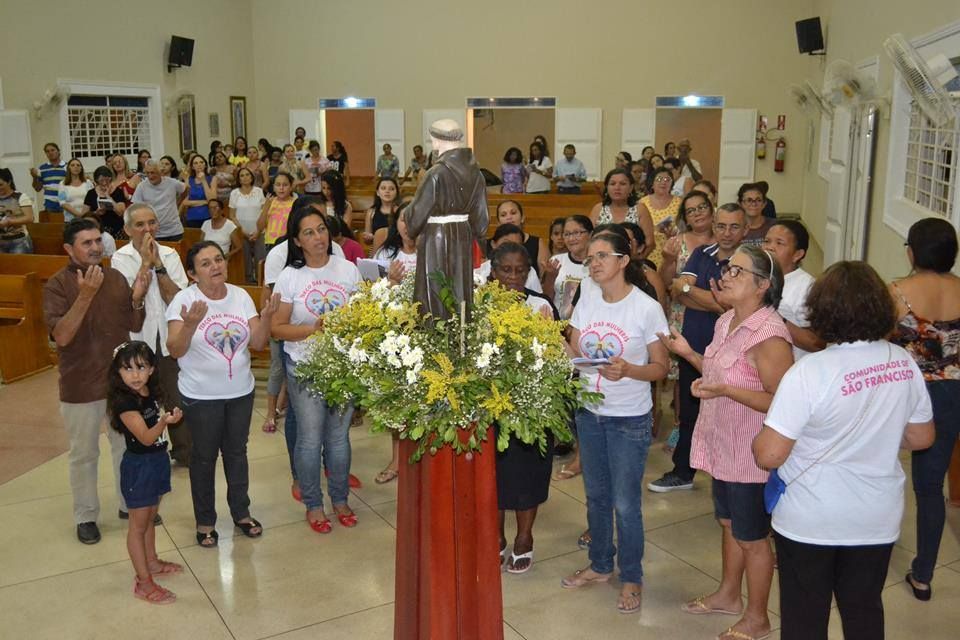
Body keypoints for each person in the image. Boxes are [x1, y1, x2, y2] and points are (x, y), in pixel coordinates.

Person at [754, 261, 935, 640]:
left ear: (823, 310)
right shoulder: (903, 363)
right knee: (864, 610)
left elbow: (768, 455)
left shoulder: (810, 372)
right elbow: (921, 438)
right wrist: (875, 435)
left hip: (811, 518)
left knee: (805, 617)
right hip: (875, 516)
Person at [661, 245, 793, 640]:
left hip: (752, 451)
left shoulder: (770, 335)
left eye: (738, 270)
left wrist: (727, 391)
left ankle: (758, 618)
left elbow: (784, 403)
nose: (726, 275)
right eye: (727, 267)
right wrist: (687, 353)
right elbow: (720, 374)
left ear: (763, 285)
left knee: (753, 537)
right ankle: (728, 595)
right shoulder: (728, 321)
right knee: (729, 523)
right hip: (722, 444)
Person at [560, 230, 669, 615]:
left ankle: (632, 576)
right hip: (589, 413)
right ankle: (601, 565)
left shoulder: (645, 307)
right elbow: (576, 349)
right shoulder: (587, 300)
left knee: (625, 503)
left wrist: (630, 370)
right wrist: (560, 345)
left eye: (603, 256)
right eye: (591, 257)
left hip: (628, 418)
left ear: (623, 261)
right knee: (597, 496)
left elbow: (662, 367)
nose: (594, 263)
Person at [42, 218, 150, 543]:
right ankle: (86, 515)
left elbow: (132, 322)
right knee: (84, 454)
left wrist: (137, 299)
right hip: (80, 385)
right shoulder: (57, 286)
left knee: (125, 446)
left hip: (118, 382)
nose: (94, 248)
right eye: (86, 243)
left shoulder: (114, 277)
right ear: (68, 249)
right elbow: (61, 336)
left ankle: (127, 503)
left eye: (97, 241)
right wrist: (85, 295)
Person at [166, 241, 277, 548]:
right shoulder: (183, 300)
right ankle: (205, 521)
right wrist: (189, 324)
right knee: (203, 458)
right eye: (205, 263)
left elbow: (257, 343)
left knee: (237, 453)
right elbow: (174, 349)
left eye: (218, 259)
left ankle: (241, 512)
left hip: (240, 391)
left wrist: (266, 317)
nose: (215, 266)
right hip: (201, 396)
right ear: (192, 274)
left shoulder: (240, 296)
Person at [271, 208, 362, 534]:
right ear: (297, 241)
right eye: (308, 233)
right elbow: (277, 328)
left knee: (338, 439)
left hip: (342, 365)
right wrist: (314, 329)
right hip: (305, 365)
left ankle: (339, 500)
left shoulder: (348, 270)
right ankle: (313, 503)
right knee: (310, 440)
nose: (318, 237)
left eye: (321, 229)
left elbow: (363, 317)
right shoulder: (290, 276)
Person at [649, 203, 748, 493]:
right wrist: (708, 299)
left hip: (732, 353)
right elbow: (678, 290)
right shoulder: (701, 254)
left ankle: (734, 477)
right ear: (713, 226)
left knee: (732, 414)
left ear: (745, 229)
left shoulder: (750, 261)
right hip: (694, 347)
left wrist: (693, 292)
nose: (726, 232)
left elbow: (730, 304)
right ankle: (683, 472)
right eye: (721, 226)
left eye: (734, 227)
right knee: (690, 413)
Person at [888, 217, 960, 601]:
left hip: (909, 392)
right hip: (954, 394)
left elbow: (875, 339)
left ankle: (868, 546)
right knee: (932, 487)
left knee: (886, 470)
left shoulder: (897, 292)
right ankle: (924, 574)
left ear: (912, 252)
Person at [488, 241, 558, 574]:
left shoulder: (541, 306)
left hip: (533, 404)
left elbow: (556, 358)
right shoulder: (479, 306)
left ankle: (525, 537)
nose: (514, 277)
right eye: (506, 269)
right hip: (492, 405)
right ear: (493, 271)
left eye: (520, 270)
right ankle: (496, 536)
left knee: (528, 475)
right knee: (495, 475)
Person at [112, 203, 192, 466]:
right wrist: (145, 262)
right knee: (141, 400)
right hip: (138, 339)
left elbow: (178, 300)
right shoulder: (119, 258)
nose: (148, 229)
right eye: (140, 224)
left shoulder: (169, 254)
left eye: (152, 223)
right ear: (127, 229)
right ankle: (147, 451)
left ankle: (184, 453)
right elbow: (130, 299)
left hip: (168, 339)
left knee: (175, 397)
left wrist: (158, 265)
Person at [107, 341, 183, 605]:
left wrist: (166, 417)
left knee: (150, 517)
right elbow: (147, 437)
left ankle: (151, 563)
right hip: (139, 467)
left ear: (152, 369)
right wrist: (165, 422)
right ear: (118, 373)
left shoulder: (147, 391)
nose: (135, 375)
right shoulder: (125, 403)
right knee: (138, 526)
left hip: (156, 461)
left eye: (141, 367)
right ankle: (143, 582)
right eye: (127, 369)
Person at [404, 118, 488, 321]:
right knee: (460, 288)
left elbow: (414, 218)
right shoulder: (477, 174)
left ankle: (435, 335)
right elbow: (482, 221)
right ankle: (460, 334)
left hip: (437, 237)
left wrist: (408, 214)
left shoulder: (436, 173)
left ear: (436, 140)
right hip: (463, 236)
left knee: (435, 291)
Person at [659, 191, 716, 451]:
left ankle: (712, 429)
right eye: (691, 210)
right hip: (683, 315)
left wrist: (686, 289)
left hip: (718, 317)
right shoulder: (677, 242)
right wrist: (670, 261)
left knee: (717, 369)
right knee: (685, 374)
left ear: (711, 208)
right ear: (685, 217)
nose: (697, 213)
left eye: (702, 207)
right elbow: (668, 283)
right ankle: (682, 427)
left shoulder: (724, 240)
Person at [763, 221, 822, 358]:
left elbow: (816, 343)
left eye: (779, 243)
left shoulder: (808, 287)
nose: (770, 247)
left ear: (797, 254)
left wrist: (773, 317)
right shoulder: (757, 276)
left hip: (792, 370)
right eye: (767, 241)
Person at [591, 168, 657, 263]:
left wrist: (636, 262)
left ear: (631, 188)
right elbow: (590, 239)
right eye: (612, 184)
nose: (617, 187)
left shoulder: (640, 209)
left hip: (632, 262)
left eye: (622, 184)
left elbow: (650, 243)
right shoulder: (598, 209)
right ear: (607, 187)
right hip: (601, 262)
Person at [542, 214, 593, 321]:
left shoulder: (598, 263)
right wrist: (550, 278)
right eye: (567, 234)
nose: (571, 239)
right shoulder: (556, 261)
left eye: (577, 233)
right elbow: (545, 300)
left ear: (591, 234)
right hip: (557, 326)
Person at [131, 160, 188, 241]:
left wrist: (179, 201)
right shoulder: (141, 186)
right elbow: (136, 208)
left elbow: (185, 188)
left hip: (174, 231)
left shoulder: (171, 182)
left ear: (160, 172)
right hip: (153, 232)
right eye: (147, 173)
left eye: (153, 172)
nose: (150, 176)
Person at [475, 223, 542, 292]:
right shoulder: (480, 271)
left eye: (516, 245)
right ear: (493, 244)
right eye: (506, 244)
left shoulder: (530, 271)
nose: (513, 276)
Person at [637, 167, 682, 267]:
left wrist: (674, 233)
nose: (663, 182)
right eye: (659, 179)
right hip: (648, 250)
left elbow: (685, 228)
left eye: (667, 179)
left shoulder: (679, 203)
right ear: (652, 184)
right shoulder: (642, 203)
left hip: (671, 249)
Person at [229, 167, 267, 283]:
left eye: (247, 175)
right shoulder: (234, 193)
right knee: (245, 262)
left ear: (252, 177)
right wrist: (243, 232)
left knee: (260, 260)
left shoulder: (259, 191)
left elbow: (264, 212)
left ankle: (260, 283)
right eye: (242, 175)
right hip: (242, 233)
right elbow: (232, 216)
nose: (245, 177)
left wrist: (258, 231)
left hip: (259, 232)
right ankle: (249, 284)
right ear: (238, 179)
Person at [493, 199, 547, 275]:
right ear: (498, 222)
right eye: (503, 215)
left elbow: (544, 277)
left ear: (522, 218)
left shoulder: (537, 243)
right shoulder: (490, 244)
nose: (509, 217)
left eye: (513, 213)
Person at [83, 165, 126, 238]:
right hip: (97, 229)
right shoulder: (91, 193)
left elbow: (121, 212)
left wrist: (108, 196)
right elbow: (84, 215)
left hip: (117, 229)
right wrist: (96, 213)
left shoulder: (118, 191)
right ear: (96, 180)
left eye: (107, 180)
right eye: (101, 180)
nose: (104, 183)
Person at [258, 172, 297, 250]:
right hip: (270, 244)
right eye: (278, 185)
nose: (281, 188)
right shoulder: (269, 202)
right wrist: (266, 207)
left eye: (285, 185)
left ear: (291, 187)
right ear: (273, 187)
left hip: (289, 244)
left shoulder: (296, 203)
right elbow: (260, 227)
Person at [0, 168, 36, 253]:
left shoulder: (20, 197)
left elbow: (29, 218)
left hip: (18, 241)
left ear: (9, 182)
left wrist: (9, 222)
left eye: (1, 185)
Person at [181, 155, 218, 229]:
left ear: (205, 165)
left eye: (201, 162)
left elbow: (212, 200)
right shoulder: (188, 179)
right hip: (191, 217)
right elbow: (185, 202)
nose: (199, 165)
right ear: (192, 167)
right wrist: (204, 202)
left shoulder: (212, 178)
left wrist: (204, 180)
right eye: (196, 163)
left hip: (208, 216)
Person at [366, 177, 401, 252]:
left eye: (391, 189)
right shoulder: (371, 212)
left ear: (396, 193)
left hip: (397, 249)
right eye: (383, 188)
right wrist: (368, 237)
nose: (387, 191)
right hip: (377, 249)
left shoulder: (400, 211)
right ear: (377, 192)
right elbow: (367, 241)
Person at [31, 142, 67, 213]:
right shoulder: (42, 168)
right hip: (50, 205)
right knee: (52, 224)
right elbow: (38, 189)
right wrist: (34, 177)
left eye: (52, 150)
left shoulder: (68, 166)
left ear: (58, 151)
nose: (50, 153)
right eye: (47, 151)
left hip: (66, 203)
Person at [738, 183, 774, 247]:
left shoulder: (775, 226)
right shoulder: (734, 227)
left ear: (764, 203)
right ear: (741, 204)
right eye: (749, 200)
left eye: (758, 200)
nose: (754, 204)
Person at [319, 170, 353, 236]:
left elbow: (345, 228)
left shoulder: (346, 206)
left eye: (329, 188)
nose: (326, 192)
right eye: (323, 188)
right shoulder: (319, 203)